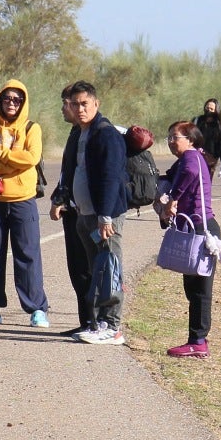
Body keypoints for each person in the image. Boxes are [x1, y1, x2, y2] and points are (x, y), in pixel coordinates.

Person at [48, 80, 129, 345]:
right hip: (85, 214)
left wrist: (105, 216)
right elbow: (74, 171)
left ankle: (113, 327)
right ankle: (98, 323)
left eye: (84, 104)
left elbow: (111, 178)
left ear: (96, 104)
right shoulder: (81, 132)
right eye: (74, 104)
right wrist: (62, 198)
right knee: (97, 272)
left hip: (103, 217)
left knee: (109, 268)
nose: (79, 109)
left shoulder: (105, 134)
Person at [0, 80, 51, 329]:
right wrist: (4, 160)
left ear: (23, 102)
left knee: (27, 255)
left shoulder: (31, 128)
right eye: (7, 98)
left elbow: (31, 158)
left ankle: (37, 308)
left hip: (23, 201)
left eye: (17, 99)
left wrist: (2, 155)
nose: (11, 103)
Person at [155, 120, 219, 357]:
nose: (171, 142)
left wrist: (173, 197)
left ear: (190, 140)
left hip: (202, 229)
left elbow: (190, 173)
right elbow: (171, 175)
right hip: (195, 229)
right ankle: (196, 339)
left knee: (200, 289)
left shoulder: (191, 157)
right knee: (192, 288)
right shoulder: (186, 159)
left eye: (176, 137)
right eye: (169, 138)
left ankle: (198, 342)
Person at [194, 98, 221, 176]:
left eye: (211, 109)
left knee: (205, 181)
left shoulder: (219, 126)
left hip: (210, 159)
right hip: (195, 156)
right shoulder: (197, 121)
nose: (209, 110)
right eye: (207, 108)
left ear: (216, 110)